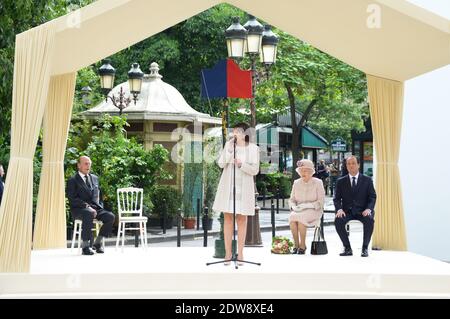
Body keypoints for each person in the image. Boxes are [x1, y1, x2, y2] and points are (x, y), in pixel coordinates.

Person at [212, 122, 260, 265]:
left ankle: (241, 253)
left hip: (243, 189)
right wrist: (230, 150)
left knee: (242, 220)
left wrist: (241, 165)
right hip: (229, 188)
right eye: (234, 131)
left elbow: (255, 170)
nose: (235, 133)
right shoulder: (229, 146)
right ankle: (228, 253)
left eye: (238, 131)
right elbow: (221, 164)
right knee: (228, 218)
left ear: (245, 133)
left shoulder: (253, 149)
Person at [66, 156, 115, 255]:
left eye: (89, 164)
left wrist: (99, 205)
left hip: (95, 208)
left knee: (110, 217)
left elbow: (98, 195)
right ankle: (85, 246)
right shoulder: (73, 180)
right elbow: (72, 199)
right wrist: (87, 206)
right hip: (80, 209)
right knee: (88, 213)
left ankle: (97, 243)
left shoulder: (94, 178)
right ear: (79, 165)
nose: (88, 166)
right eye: (85, 163)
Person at [333, 155, 377, 257]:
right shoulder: (341, 181)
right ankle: (347, 248)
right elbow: (336, 198)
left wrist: (369, 209)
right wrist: (339, 209)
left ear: (358, 165)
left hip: (362, 211)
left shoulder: (367, 180)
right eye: (348, 164)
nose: (351, 166)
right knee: (338, 221)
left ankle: (365, 248)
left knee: (369, 220)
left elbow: (372, 197)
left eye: (353, 163)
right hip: (346, 211)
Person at [288, 159, 325, 254]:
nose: (303, 173)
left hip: (314, 210)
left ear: (311, 172)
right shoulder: (296, 182)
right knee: (292, 216)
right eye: (301, 171)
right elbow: (291, 199)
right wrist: (293, 207)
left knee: (300, 218)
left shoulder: (318, 182)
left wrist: (308, 205)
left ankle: (302, 246)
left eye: (305, 171)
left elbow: (321, 201)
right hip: (299, 210)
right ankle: (296, 245)